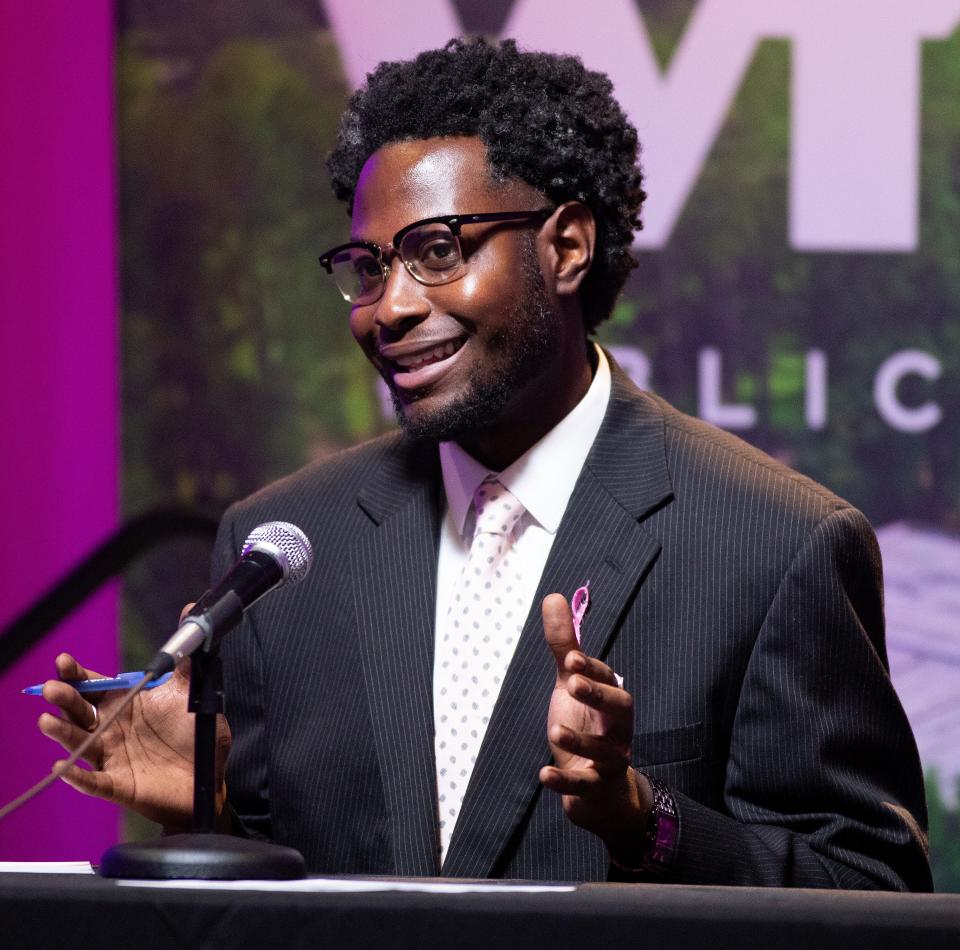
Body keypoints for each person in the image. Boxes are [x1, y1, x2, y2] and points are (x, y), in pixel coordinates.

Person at [39, 38, 930, 889]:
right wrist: (213, 809)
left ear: (567, 246)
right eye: (367, 265)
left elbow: (868, 888)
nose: (387, 309)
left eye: (436, 252)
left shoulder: (776, 542)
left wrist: (643, 819)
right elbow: (289, 894)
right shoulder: (286, 546)